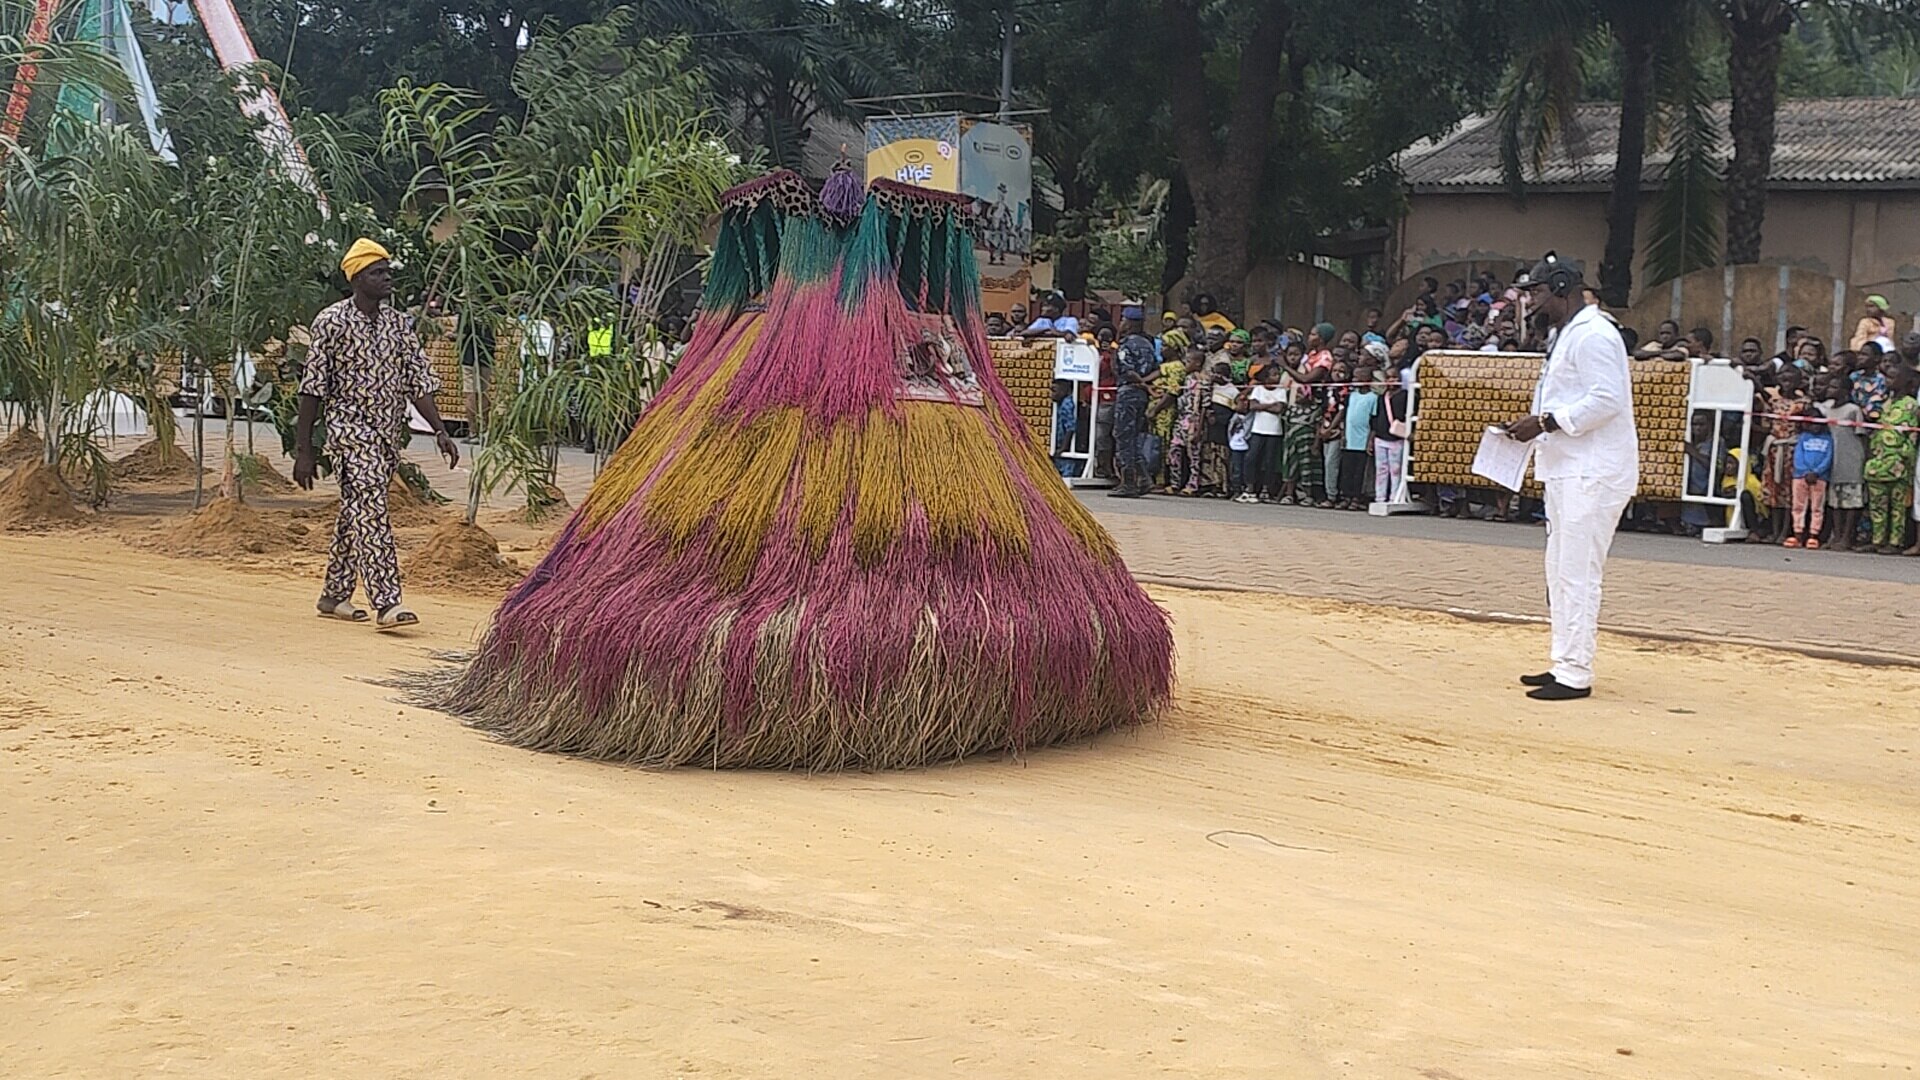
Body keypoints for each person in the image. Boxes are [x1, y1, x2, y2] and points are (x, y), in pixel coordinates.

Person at [294, 238, 460, 631]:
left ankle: (334, 595)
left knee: (358, 510)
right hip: (349, 432)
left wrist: (440, 430)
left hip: (387, 437)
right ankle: (387, 603)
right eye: (378, 273)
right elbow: (312, 389)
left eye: (388, 272)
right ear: (356, 278)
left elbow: (417, 383)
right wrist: (304, 450)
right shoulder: (331, 323)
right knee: (371, 508)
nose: (387, 279)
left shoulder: (399, 326)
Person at [1502, 252, 1637, 701]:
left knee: (1578, 572)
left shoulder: (1594, 335)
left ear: (1562, 287)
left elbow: (1606, 400)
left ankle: (1576, 672)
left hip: (1592, 472)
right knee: (1560, 570)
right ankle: (1564, 661)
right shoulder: (1568, 334)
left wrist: (1544, 423)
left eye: (1537, 292)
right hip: (1568, 469)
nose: (1532, 303)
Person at [1863, 365, 1918, 553]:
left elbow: (1912, 436)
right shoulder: (1883, 401)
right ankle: (1877, 540)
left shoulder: (1911, 404)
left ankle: (1895, 542)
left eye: (1893, 377)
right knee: (1877, 506)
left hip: (1898, 463)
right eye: (1887, 377)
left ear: (1906, 382)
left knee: (1897, 508)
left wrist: (1905, 459)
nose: (1888, 381)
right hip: (1877, 462)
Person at [1109, 313, 1158, 498]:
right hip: (1141, 395)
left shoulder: (1126, 345)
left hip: (1128, 392)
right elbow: (1157, 369)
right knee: (1134, 437)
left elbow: (1127, 371)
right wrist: (1145, 384)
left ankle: (1128, 482)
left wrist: (1139, 382)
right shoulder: (1148, 344)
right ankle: (1144, 479)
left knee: (1123, 437)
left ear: (1129, 323)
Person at [1818, 375, 1868, 552]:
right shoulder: (1825, 409)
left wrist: (1864, 459)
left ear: (1846, 391)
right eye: (1830, 386)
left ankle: (1847, 537)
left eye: (1835, 387)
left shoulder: (1853, 410)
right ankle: (1836, 535)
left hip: (1851, 459)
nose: (1830, 390)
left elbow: (1861, 436)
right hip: (1832, 460)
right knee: (1835, 503)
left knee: (1851, 503)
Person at [1785, 402, 1833, 549]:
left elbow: (1828, 457)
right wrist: (1805, 471)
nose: (1815, 427)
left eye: (1818, 423)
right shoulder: (1804, 437)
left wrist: (1817, 472)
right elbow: (1798, 456)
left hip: (1819, 478)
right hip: (1800, 476)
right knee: (1798, 505)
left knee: (1817, 507)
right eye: (1811, 423)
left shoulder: (1828, 439)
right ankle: (1798, 533)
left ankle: (1814, 535)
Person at [1244, 364, 1288, 503]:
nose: (1277, 377)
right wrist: (1270, 405)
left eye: (1278, 374)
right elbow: (1253, 406)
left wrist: (1262, 406)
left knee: (1269, 461)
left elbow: (1279, 409)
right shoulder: (1258, 389)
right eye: (1274, 374)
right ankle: (1250, 488)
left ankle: (1266, 489)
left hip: (1274, 431)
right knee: (1251, 458)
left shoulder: (1281, 391)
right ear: (1266, 376)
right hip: (1258, 429)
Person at [1339, 367, 1379, 510]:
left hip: (1362, 441)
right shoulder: (1351, 396)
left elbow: (1373, 421)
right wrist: (1343, 435)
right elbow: (1345, 416)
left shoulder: (1373, 398)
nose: (1355, 381)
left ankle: (1356, 497)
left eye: (1359, 378)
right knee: (1347, 470)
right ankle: (1346, 496)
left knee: (1359, 472)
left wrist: (1370, 441)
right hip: (1349, 439)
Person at [1373, 367, 1410, 504]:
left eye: (1394, 377)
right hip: (1380, 437)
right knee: (1381, 469)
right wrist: (1372, 438)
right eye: (1388, 378)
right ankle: (1380, 497)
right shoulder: (1382, 397)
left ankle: (1395, 497)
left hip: (1396, 438)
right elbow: (1376, 417)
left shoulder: (1406, 395)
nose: (1391, 381)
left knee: (1395, 470)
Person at [1050, 378, 1079, 479]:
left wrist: (1063, 447)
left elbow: (1070, 428)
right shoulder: (1058, 404)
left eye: (1054, 391)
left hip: (1064, 448)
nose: (1051, 395)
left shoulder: (1066, 404)